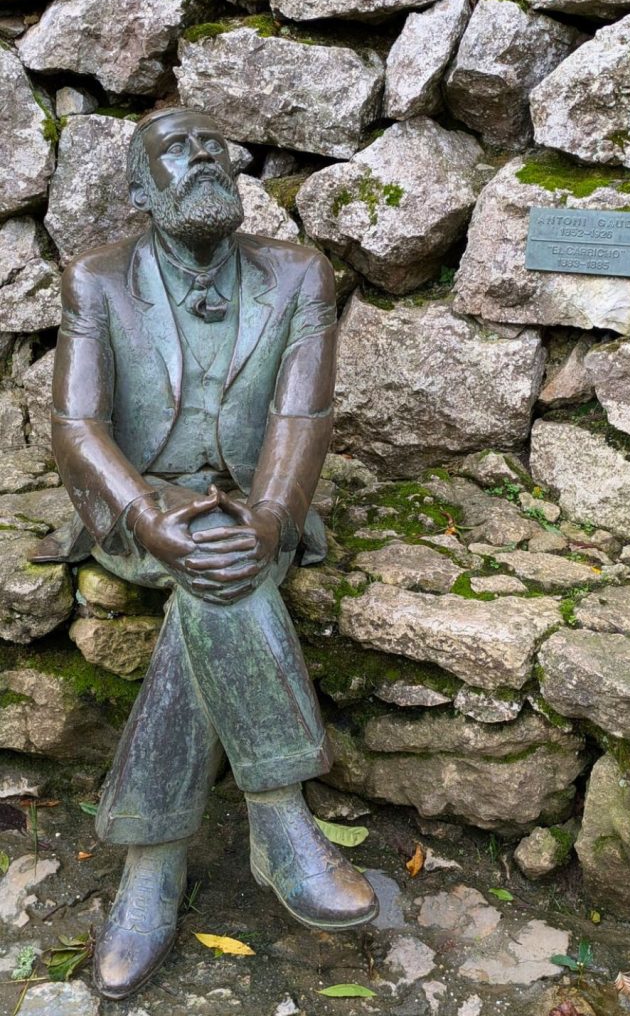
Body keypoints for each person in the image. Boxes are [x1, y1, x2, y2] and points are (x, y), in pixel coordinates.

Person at [32, 107, 378, 1000]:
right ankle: (277, 819)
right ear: (142, 190)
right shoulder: (98, 279)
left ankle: (151, 863)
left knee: (224, 565)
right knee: (217, 562)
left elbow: (305, 416)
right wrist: (147, 516)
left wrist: (270, 515)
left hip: (253, 511)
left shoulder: (300, 272)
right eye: (176, 152)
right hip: (143, 509)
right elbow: (76, 424)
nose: (203, 160)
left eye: (215, 147)